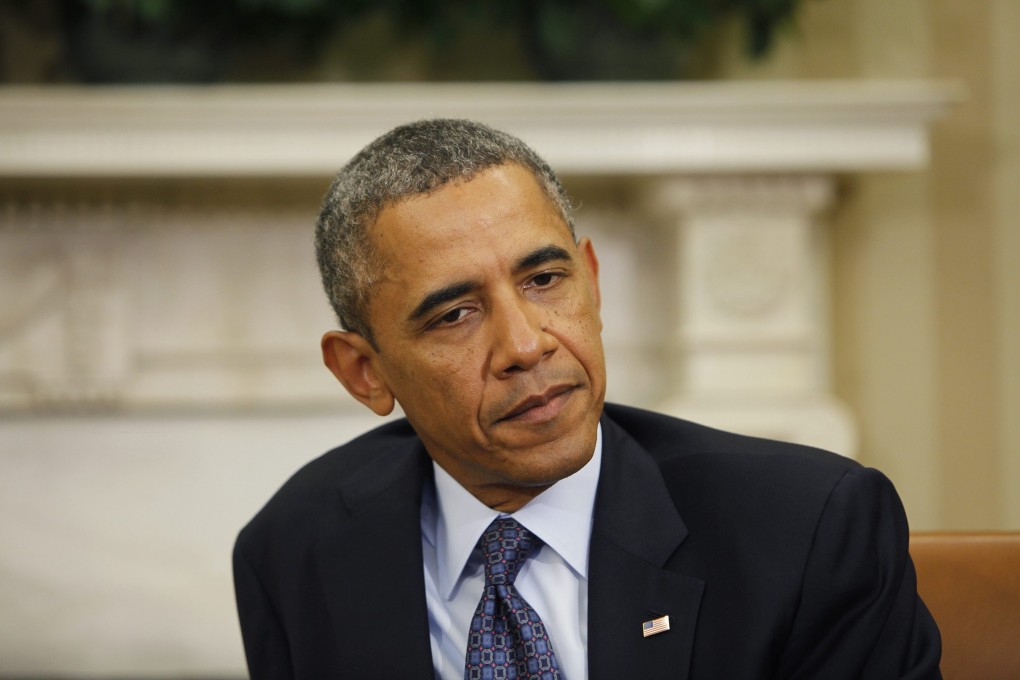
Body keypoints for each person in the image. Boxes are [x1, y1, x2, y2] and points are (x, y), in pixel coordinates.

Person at [233, 119, 942, 679]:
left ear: (592, 282)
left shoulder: (806, 530)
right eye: (454, 315)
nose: (527, 345)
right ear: (363, 372)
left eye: (544, 279)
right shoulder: (298, 551)